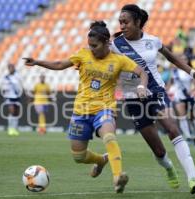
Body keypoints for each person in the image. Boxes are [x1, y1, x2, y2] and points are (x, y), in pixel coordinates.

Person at [23, 21, 148, 193]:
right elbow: (60, 65)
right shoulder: (83, 54)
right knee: (79, 156)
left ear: (106, 43)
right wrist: (37, 62)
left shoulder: (119, 60)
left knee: (109, 135)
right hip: (81, 111)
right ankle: (101, 160)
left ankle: (118, 177)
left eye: (94, 46)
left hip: (105, 107)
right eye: (89, 45)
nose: (91, 49)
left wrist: (141, 86)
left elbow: (141, 72)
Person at [111, 4, 195, 194]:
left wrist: (193, 72)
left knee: (172, 129)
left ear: (138, 22)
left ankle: (193, 179)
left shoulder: (153, 41)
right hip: (133, 99)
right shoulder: (115, 45)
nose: (122, 26)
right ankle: (169, 168)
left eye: (126, 22)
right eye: (120, 22)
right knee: (159, 151)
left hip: (156, 92)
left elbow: (172, 58)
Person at [171, 67, 195, 146]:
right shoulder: (174, 71)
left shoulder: (190, 71)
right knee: (182, 117)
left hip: (189, 97)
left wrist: (191, 91)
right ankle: (188, 137)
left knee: (192, 118)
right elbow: (170, 83)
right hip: (179, 97)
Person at [1, 63, 23, 136]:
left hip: (16, 96)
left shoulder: (17, 76)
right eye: (10, 67)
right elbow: (4, 88)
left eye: (12, 67)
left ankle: (15, 128)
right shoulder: (6, 77)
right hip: (9, 96)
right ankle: (10, 128)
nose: (11, 69)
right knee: (12, 111)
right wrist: (5, 96)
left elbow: (20, 85)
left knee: (16, 113)